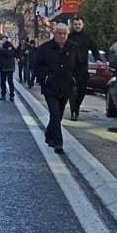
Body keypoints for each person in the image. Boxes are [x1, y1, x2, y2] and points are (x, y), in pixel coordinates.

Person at [31, 23, 85, 155]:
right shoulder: (45, 48)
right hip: (50, 87)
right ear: (54, 34)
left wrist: (74, 79)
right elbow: (36, 65)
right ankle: (58, 143)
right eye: (59, 33)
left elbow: (80, 66)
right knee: (55, 113)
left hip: (66, 86)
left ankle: (49, 134)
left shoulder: (73, 48)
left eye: (64, 33)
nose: (62, 36)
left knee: (58, 115)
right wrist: (44, 77)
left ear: (67, 34)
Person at [69, 16, 102, 120]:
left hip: (83, 69)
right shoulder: (69, 36)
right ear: (72, 25)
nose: (77, 26)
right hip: (71, 69)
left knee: (82, 91)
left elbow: (94, 49)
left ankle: (77, 106)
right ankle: (73, 111)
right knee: (72, 92)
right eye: (75, 24)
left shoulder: (88, 37)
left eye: (79, 24)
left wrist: (98, 59)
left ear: (83, 25)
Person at [0, 37, 17, 102]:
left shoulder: (10, 46)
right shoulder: (1, 47)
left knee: (10, 81)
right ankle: (3, 95)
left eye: (4, 39)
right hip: (2, 67)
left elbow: (9, 54)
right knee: (2, 82)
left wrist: (2, 49)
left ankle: (12, 95)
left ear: (6, 40)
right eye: (2, 39)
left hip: (9, 67)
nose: (3, 40)